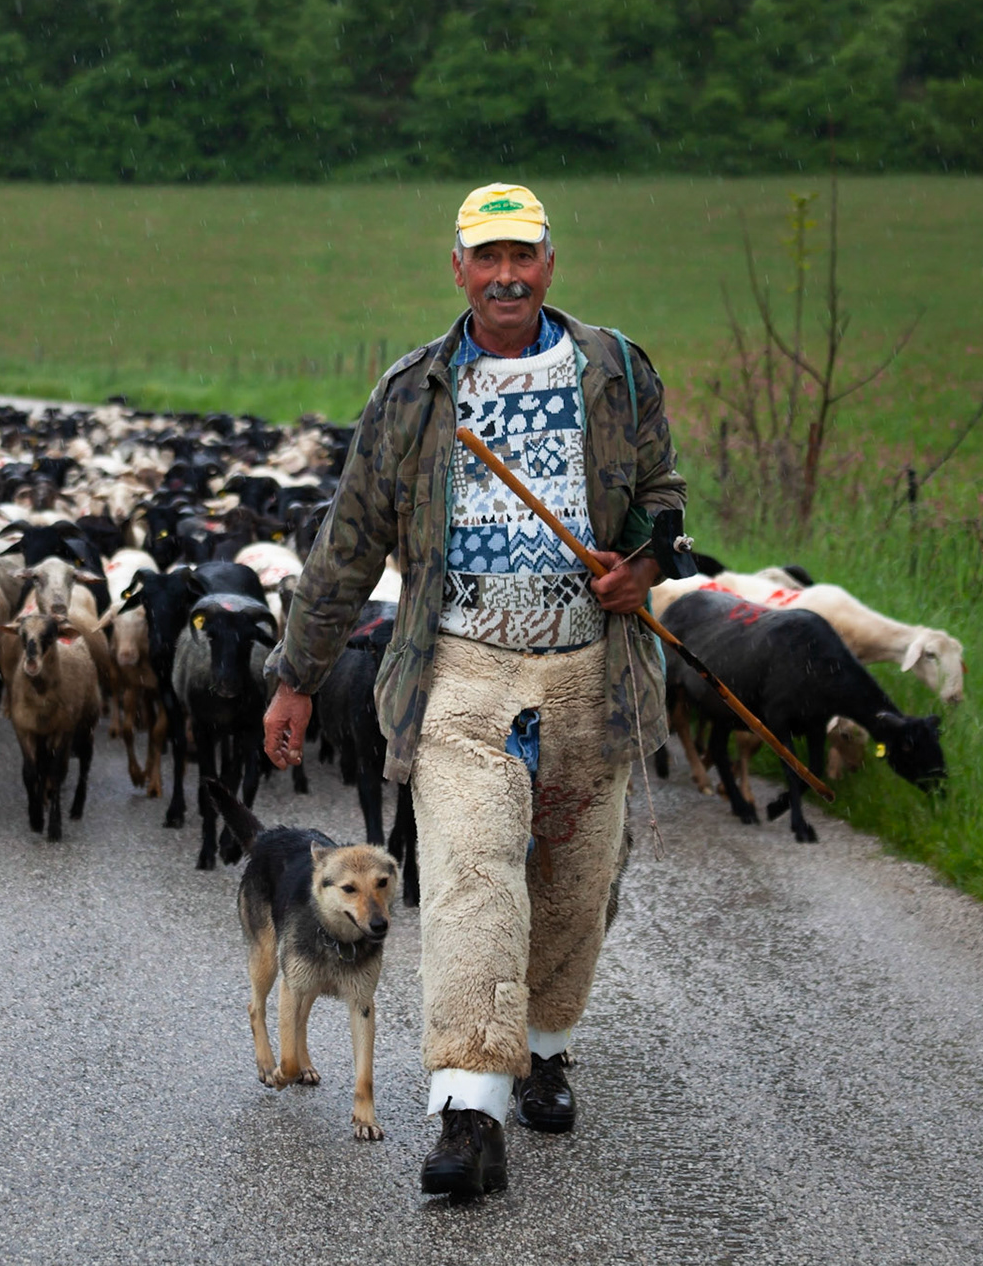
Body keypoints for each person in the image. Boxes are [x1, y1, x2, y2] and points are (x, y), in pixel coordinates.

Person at [262, 182, 689, 1199]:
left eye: (523, 257)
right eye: (485, 257)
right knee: (468, 881)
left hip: (592, 667)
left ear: (550, 262)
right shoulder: (413, 393)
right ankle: (468, 1111)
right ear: (457, 266)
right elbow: (349, 542)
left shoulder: (616, 371)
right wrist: (296, 673)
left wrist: (644, 562)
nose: (506, 276)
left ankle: (540, 1046)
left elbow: (664, 500)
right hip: (459, 668)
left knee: (573, 890)